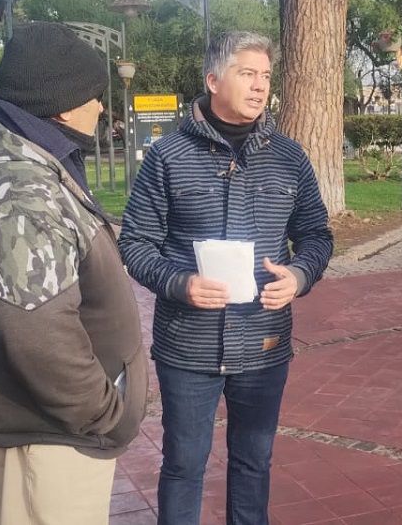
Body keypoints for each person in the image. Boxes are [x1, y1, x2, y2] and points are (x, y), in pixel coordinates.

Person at [118, 31, 333, 525]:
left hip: (263, 344)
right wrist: (181, 283)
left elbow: (317, 236)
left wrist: (299, 276)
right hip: (187, 348)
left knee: (254, 463)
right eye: (247, 74)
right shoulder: (168, 157)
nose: (260, 87)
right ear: (214, 80)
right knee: (183, 466)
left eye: (265, 77)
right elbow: (135, 244)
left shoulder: (289, 157)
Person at [0, 22, 148, 525]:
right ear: (59, 101)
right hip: (47, 437)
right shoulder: (19, 195)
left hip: (52, 431)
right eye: (92, 95)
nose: (101, 107)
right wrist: (104, 417)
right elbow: (39, 335)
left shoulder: (35, 168)